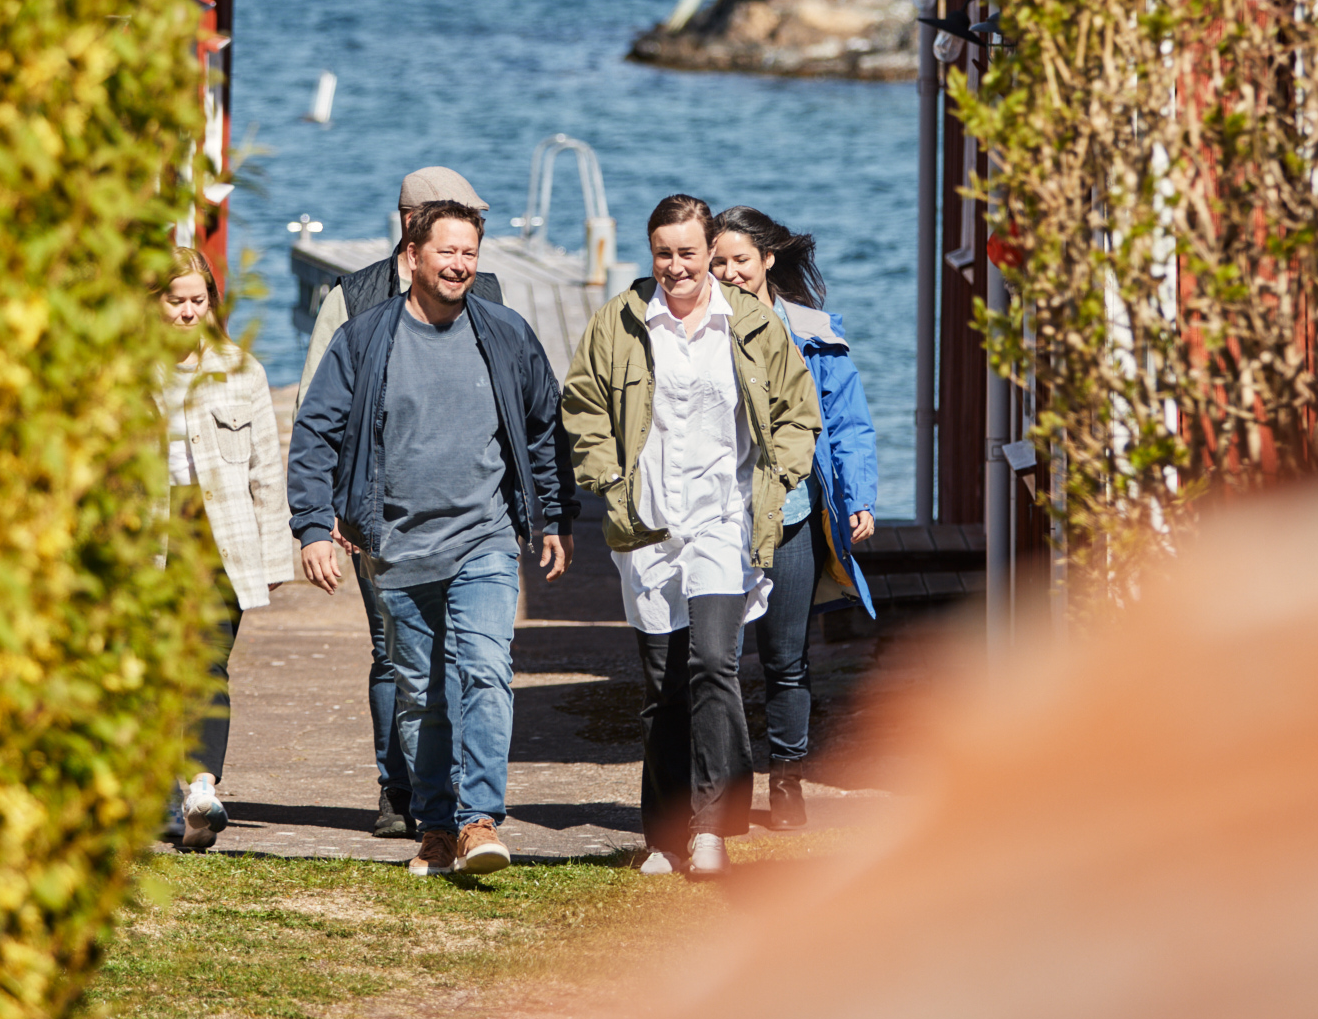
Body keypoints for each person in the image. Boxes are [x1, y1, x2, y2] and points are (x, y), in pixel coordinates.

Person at [289, 199, 569, 877]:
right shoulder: (365, 339)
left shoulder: (504, 332)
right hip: (397, 545)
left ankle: (479, 821)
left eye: (470, 252)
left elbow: (543, 425)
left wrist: (554, 516)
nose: (460, 264)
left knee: (486, 669)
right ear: (413, 255)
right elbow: (316, 432)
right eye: (448, 251)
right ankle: (437, 825)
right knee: (422, 694)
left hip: (485, 538)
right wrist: (313, 525)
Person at [561, 194, 819, 879]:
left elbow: (799, 411)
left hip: (724, 520)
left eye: (688, 252)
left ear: (710, 251)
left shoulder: (752, 324)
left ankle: (713, 828)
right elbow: (582, 402)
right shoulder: (620, 321)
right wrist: (606, 476)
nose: (676, 266)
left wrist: (780, 474)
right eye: (663, 253)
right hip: (647, 524)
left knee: (713, 663)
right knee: (663, 685)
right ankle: (666, 835)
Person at [298, 166, 508, 839]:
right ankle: (399, 789)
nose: (464, 251)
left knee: (469, 659)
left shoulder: (487, 296)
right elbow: (315, 407)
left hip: (473, 517)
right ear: (411, 227)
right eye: (450, 226)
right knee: (396, 655)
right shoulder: (352, 298)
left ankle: (458, 803)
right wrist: (329, 513)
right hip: (377, 515)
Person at [708, 205, 878, 830]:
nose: (730, 272)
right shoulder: (692, 328)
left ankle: (787, 782)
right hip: (717, 517)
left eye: (740, 260)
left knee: (787, 658)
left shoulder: (812, 332)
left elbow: (848, 421)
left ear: (768, 259)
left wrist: (858, 496)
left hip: (794, 514)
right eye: (718, 262)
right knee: (714, 660)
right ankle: (723, 788)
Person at [155, 246, 299, 851]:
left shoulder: (242, 371)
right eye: (176, 301)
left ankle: (200, 786)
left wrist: (274, 556)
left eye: (199, 300)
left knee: (208, 661)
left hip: (221, 537)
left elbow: (267, 469)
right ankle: (161, 794)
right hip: (151, 538)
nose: (189, 312)